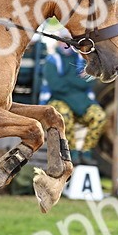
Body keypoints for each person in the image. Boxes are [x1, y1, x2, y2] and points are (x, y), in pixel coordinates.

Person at [42, 33, 106, 164]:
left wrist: (65, 79)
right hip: (59, 99)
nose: (66, 44)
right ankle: (71, 152)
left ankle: (87, 152)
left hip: (82, 101)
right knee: (64, 116)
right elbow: (55, 86)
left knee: (99, 116)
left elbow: (89, 82)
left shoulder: (83, 60)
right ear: (57, 42)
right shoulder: (51, 61)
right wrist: (77, 80)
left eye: (70, 41)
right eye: (63, 41)